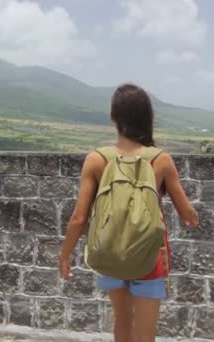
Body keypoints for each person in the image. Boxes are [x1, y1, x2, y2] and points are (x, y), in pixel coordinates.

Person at [59, 83, 199, 342]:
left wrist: (66, 255)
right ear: (148, 118)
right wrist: (192, 215)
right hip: (149, 258)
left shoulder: (96, 159)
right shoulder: (160, 160)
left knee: (122, 321)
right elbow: (188, 215)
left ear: (114, 118)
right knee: (145, 333)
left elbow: (79, 218)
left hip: (110, 255)